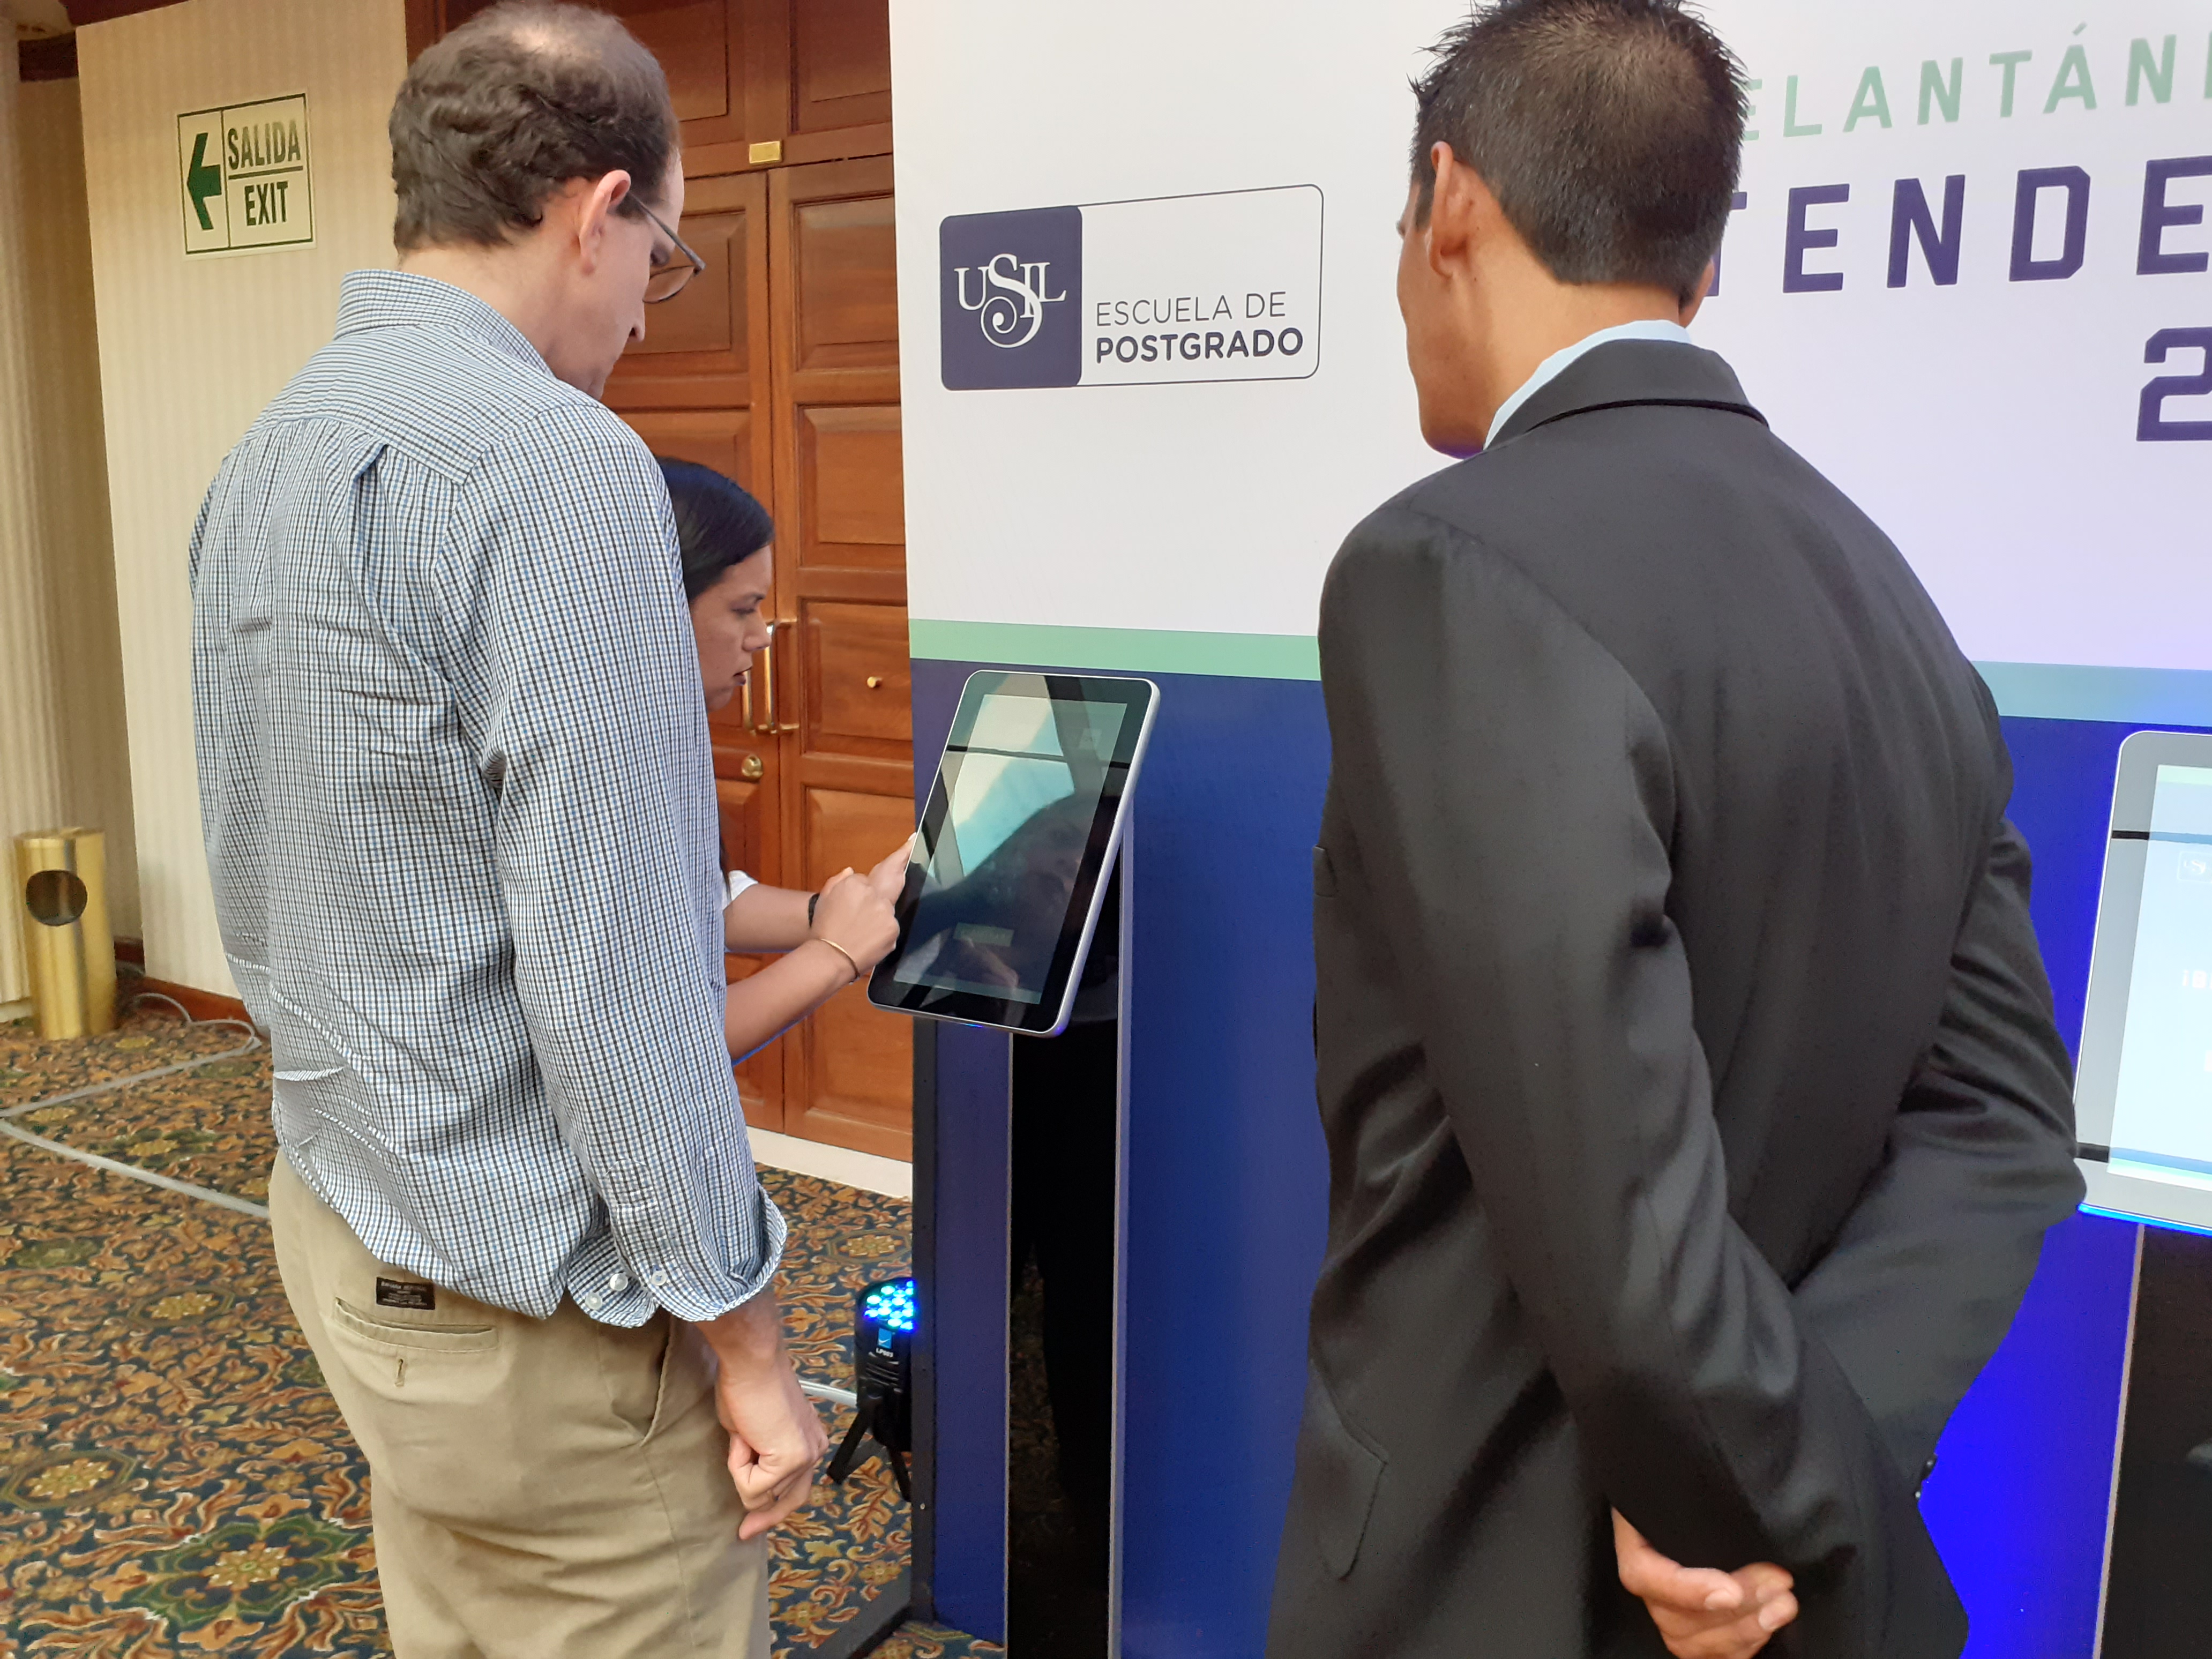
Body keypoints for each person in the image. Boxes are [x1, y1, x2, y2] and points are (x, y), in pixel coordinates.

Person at [1268, 4, 2083, 1657]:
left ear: (1448, 203)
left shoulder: (1442, 570)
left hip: (1498, 1572)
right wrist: (1806, 1496)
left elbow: (1607, 1175)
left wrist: (1730, 1509)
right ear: (1700, 263)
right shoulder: (1895, 608)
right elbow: (2002, 1125)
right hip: (1766, 1589)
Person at [191, 7, 833, 1654]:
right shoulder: (559, 467)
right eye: (660, 256)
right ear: (594, 212)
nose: (644, 306)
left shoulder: (265, 455)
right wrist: (750, 1340)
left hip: (352, 1235)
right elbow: (620, 991)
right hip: (541, 1321)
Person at [656, 458, 907, 1053]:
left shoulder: (661, 732)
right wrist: (835, 953)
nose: (763, 636)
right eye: (743, 608)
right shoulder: (587, 772)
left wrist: (846, 910)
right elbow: (658, 1050)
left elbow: (701, 901)